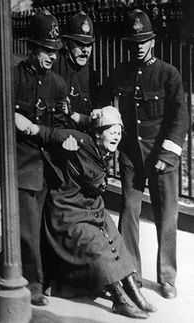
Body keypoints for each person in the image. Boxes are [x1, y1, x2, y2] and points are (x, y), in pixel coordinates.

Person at [14, 106, 157, 319]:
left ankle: (133, 292)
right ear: (98, 133)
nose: (117, 136)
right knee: (98, 247)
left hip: (92, 207)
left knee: (116, 241)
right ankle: (119, 299)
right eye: (112, 131)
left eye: (119, 132)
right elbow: (45, 132)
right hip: (68, 209)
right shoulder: (79, 139)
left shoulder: (105, 150)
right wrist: (28, 125)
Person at [0, 9, 68, 306]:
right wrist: (10, 115)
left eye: (54, 51)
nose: (51, 56)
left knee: (42, 224)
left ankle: (7, 262)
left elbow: (60, 127)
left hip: (47, 166)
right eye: (45, 50)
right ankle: (35, 281)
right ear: (31, 48)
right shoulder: (11, 77)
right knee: (27, 224)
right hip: (19, 163)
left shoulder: (58, 84)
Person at [97, 9, 189, 299]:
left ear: (152, 41)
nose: (139, 46)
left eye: (144, 41)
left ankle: (168, 278)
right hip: (131, 155)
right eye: (134, 42)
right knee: (129, 211)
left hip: (161, 155)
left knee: (167, 216)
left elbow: (180, 118)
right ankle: (131, 272)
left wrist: (168, 154)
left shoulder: (168, 73)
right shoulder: (120, 72)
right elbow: (101, 97)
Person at [52, 11, 99, 129]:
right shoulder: (54, 67)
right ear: (67, 44)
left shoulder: (91, 74)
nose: (85, 50)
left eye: (89, 45)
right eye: (79, 44)